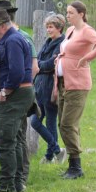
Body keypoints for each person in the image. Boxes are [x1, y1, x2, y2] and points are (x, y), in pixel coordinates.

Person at [54, 1, 96, 179]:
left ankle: (76, 166)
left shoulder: (86, 30)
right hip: (64, 82)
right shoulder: (70, 31)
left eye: (71, 13)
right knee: (62, 123)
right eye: (67, 12)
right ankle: (73, 163)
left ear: (81, 14)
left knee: (68, 124)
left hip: (77, 83)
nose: (68, 15)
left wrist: (87, 57)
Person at [0, 9, 35, 192]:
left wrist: (5, 90)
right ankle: (16, 184)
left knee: (5, 141)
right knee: (13, 140)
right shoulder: (9, 40)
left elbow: (16, 70)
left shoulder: (13, 40)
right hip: (17, 93)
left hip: (14, 94)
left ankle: (6, 187)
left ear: (3, 25)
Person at [31, 14, 66, 164]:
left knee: (49, 122)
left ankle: (51, 154)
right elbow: (38, 60)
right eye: (47, 27)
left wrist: (40, 67)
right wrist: (40, 66)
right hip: (40, 86)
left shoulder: (61, 43)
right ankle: (55, 151)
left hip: (50, 87)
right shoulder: (48, 42)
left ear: (59, 28)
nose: (48, 30)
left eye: (51, 27)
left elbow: (53, 63)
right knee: (36, 121)